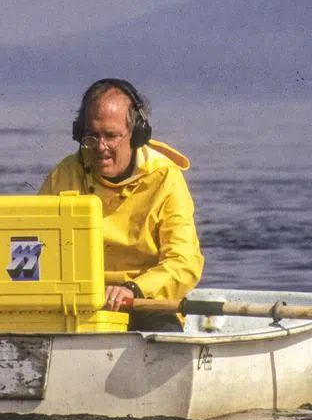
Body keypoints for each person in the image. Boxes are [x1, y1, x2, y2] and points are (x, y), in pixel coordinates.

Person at [38, 78, 203, 330]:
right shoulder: (64, 174)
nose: (101, 147)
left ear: (137, 134)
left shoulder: (166, 178)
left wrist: (133, 290)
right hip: (78, 303)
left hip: (143, 303)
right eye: (92, 136)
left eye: (111, 136)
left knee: (165, 337)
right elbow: (35, 243)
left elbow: (184, 262)